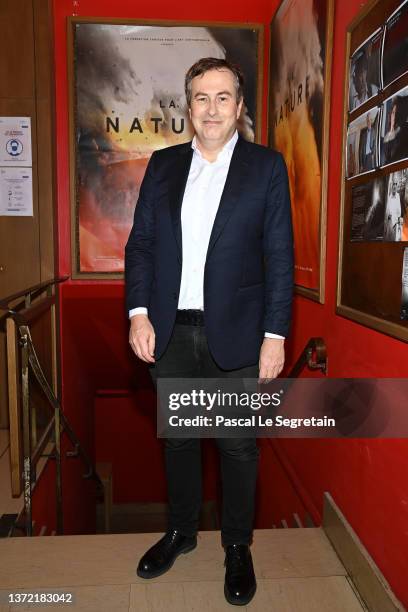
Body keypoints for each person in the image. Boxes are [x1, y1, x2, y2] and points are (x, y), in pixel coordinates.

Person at [125, 57, 293, 606]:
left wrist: (276, 334)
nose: (212, 108)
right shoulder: (163, 166)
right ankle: (181, 533)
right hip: (171, 332)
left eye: (224, 97)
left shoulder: (266, 167)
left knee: (238, 446)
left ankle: (237, 546)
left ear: (240, 107)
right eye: (201, 97)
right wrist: (139, 312)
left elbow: (278, 255)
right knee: (178, 440)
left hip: (240, 336)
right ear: (188, 106)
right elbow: (142, 245)